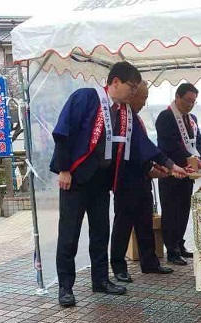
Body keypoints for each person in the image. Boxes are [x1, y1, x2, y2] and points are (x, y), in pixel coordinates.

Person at [50, 61, 142, 307]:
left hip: (101, 181)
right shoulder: (86, 98)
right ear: (115, 82)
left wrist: (167, 164)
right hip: (76, 178)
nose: (133, 93)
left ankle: (100, 279)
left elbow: (140, 144)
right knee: (69, 234)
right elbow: (63, 133)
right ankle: (65, 287)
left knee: (101, 231)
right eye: (132, 87)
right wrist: (64, 169)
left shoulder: (124, 112)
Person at [110, 81, 186, 281]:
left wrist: (157, 167)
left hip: (141, 180)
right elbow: (134, 149)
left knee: (145, 222)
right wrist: (166, 165)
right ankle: (118, 267)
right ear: (132, 95)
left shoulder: (134, 117)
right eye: (143, 98)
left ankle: (150, 262)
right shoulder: (120, 115)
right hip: (125, 180)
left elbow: (145, 147)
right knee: (123, 224)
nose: (144, 103)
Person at [156, 83, 201, 266]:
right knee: (170, 210)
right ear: (177, 97)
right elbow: (169, 144)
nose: (190, 105)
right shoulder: (165, 117)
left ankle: (180, 243)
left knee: (184, 209)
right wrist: (188, 158)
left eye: (193, 101)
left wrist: (197, 157)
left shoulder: (192, 118)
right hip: (171, 171)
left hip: (189, 172)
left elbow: (198, 141)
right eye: (187, 100)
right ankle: (171, 250)